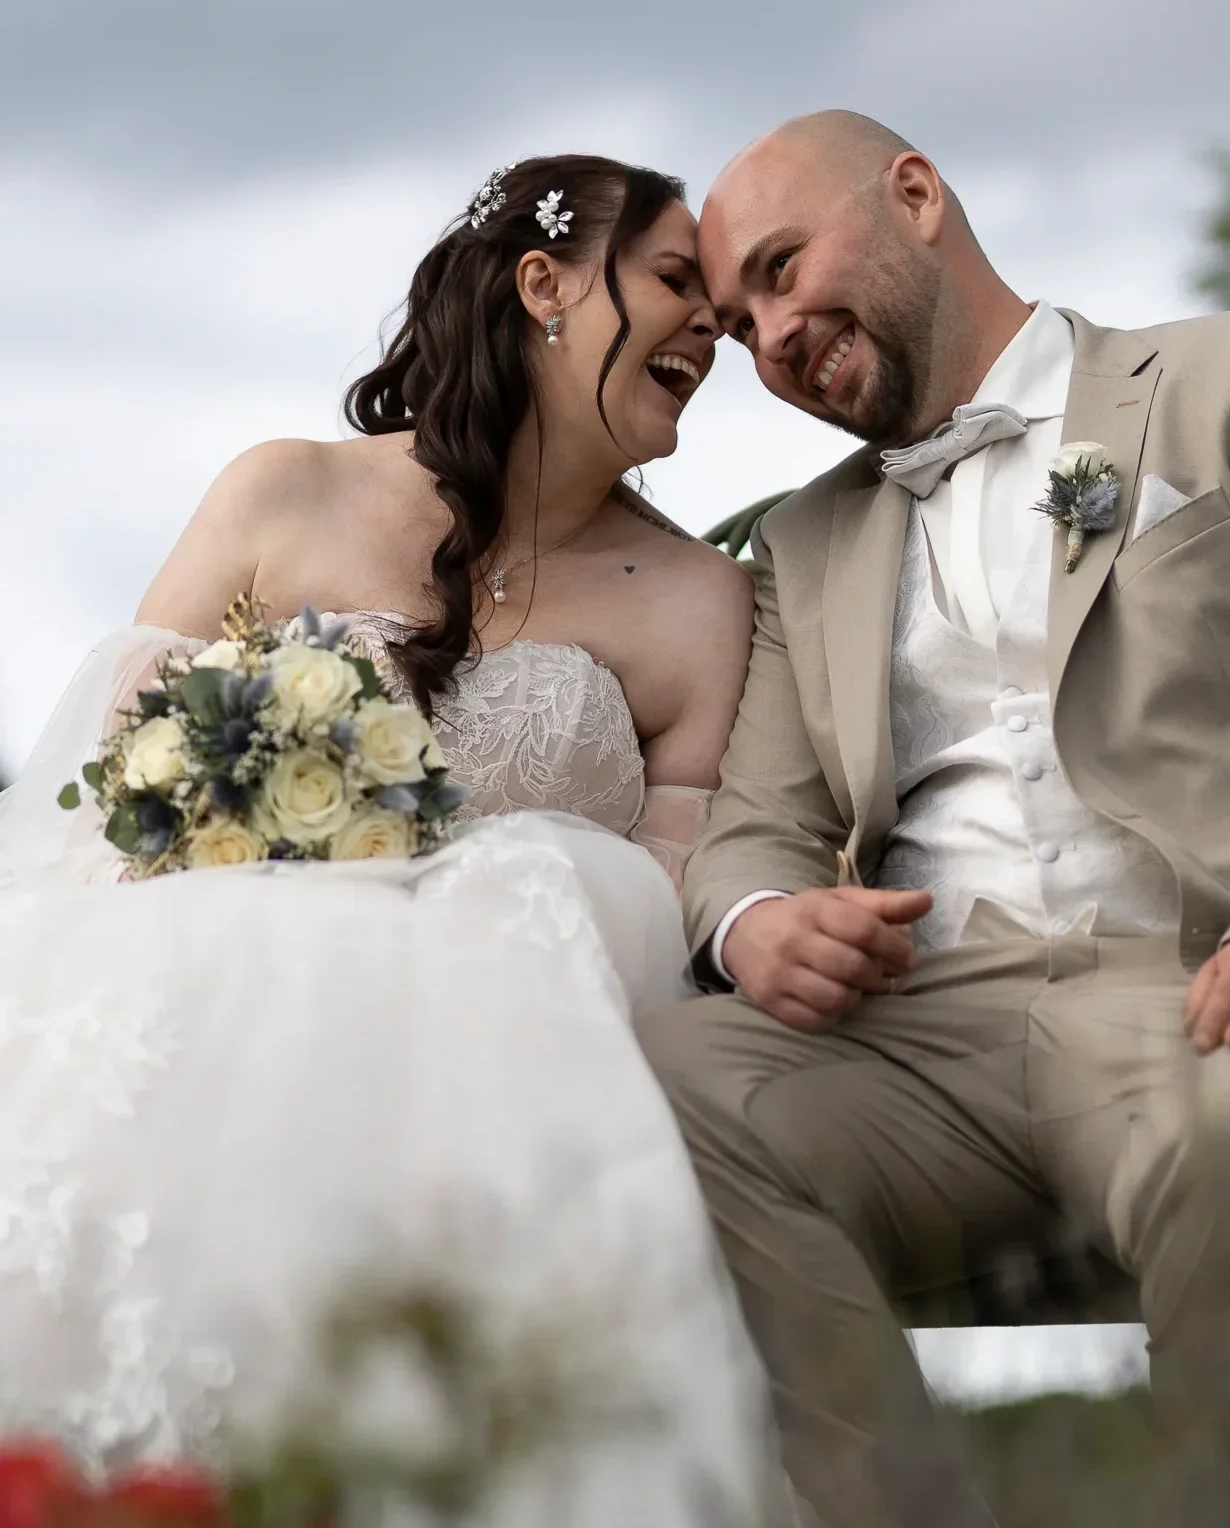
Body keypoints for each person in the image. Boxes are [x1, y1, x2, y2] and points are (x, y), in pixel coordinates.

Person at [639, 111, 1230, 1528]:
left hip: (1208, 983)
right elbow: (758, 825)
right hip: (929, 1036)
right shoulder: (805, 539)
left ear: (914, 196)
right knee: (662, 1077)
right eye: (739, 319)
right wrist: (763, 920)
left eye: (784, 268)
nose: (770, 337)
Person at [0, 155, 784, 1524]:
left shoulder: (700, 601)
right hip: (197, 1033)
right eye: (676, 282)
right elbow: (120, 780)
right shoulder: (282, 493)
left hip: (505, 1095)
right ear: (543, 285)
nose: (713, 326)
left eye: (724, 302)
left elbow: (682, 877)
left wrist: (477, 894)